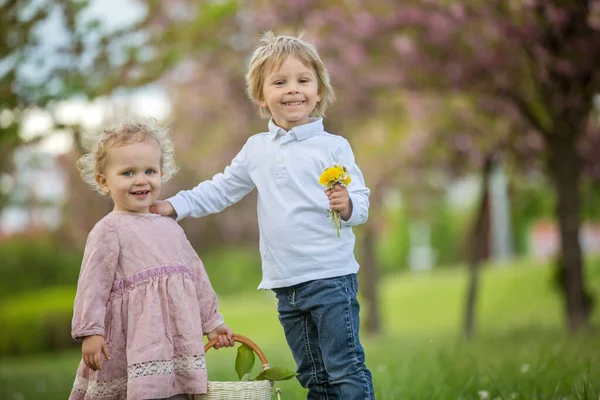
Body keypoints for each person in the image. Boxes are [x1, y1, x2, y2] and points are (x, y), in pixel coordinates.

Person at [152, 31, 374, 399]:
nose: (293, 90)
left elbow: (362, 202)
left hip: (330, 278)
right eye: (280, 82)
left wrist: (347, 204)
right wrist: (175, 206)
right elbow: (221, 188)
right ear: (261, 96)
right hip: (285, 284)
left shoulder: (333, 146)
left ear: (319, 91)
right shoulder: (257, 150)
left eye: (304, 80)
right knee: (312, 375)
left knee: (344, 368)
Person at [69, 119, 234, 400]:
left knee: (177, 390)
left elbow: (196, 277)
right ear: (103, 182)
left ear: (161, 172)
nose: (141, 180)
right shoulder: (109, 229)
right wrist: (90, 332)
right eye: (127, 173)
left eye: (149, 171)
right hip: (135, 341)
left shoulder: (170, 226)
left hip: (176, 338)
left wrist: (213, 323)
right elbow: (92, 285)